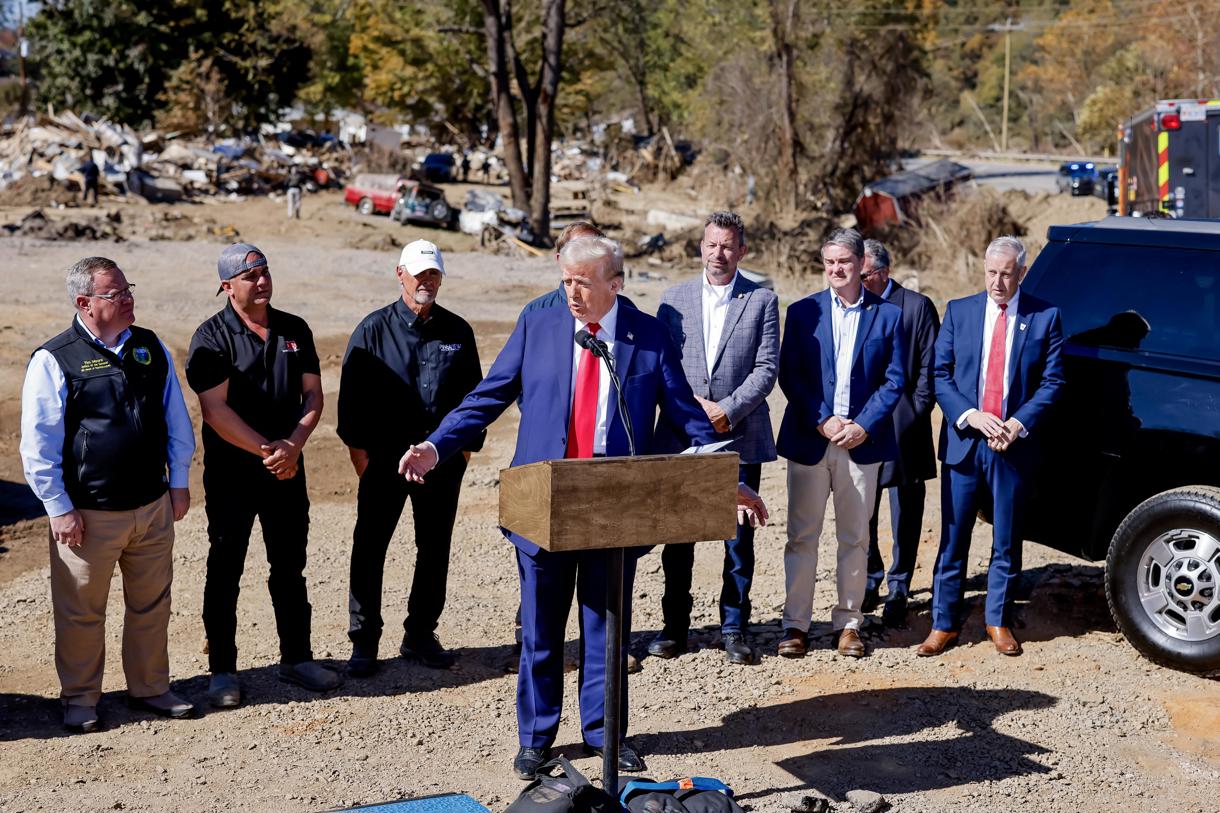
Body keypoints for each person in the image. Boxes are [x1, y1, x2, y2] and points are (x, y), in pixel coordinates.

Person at [399, 236, 719, 780]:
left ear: (614, 284)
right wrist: (436, 444)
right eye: (566, 280)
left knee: (607, 628)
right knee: (543, 630)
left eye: (583, 283)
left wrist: (721, 474)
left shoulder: (648, 336)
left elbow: (689, 417)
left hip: (614, 505)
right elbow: (489, 396)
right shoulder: (540, 324)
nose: (571, 293)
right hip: (542, 502)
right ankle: (536, 739)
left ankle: (605, 734)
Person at [20, 256, 196, 732]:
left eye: (127, 289)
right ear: (85, 302)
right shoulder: (55, 358)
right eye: (115, 293)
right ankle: (80, 698)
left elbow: (175, 418)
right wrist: (58, 507)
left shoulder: (149, 346)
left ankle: (151, 687)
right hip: (88, 515)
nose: (128, 299)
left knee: (152, 604)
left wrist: (178, 482)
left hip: (152, 505)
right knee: (81, 612)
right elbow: (38, 443)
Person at [186, 242, 341, 709]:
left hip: (287, 468)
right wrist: (266, 449)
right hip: (235, 473)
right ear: (226, 286)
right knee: (226, 566)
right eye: (250, 275)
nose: (262, 281)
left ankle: (297, 657)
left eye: (265, 271)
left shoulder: (295, 329)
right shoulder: (212, 337)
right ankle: (223, 670)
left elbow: (313, 397)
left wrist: (293, 445)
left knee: (290, 565)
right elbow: (214, 411)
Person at [340, 240, 484, 676]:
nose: (427, 281)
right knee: (370, 547)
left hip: (440, 461)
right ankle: (364, 641)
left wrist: (461, 454)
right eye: (420, 274)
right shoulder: (373, 330)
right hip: (384, 461)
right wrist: (363, 458)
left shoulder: (458, 332)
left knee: (434, 548)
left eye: (434, 274)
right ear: (400, 273)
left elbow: (475, 400)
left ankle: (420, 634)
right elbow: (351, 404)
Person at [918, 236, 1065, 658]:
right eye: (991, 272)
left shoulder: (1044, 316)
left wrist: (1017, 424)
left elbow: (1052, 382)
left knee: (1006, 538)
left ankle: (997, 620)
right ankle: (943, 623)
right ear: (984, 270)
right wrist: (971, 416)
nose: (998, 282)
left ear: (1021, 272)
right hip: (966, 441)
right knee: (953, 536)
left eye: (1006, 273)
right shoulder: (959, 311)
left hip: (1011, 446)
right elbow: (940, 375)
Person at [650, 211, 779, 664]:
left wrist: (726, 410)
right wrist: (694, 410)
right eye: (711, 245)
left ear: (742, 251)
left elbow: (767, 368)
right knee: (678, 537)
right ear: (700, 247)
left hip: (740, 434)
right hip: (683, 436)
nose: (718, 254)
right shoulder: (673, 300)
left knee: (738, 538)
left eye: (727, 246)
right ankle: (674, 628)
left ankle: (734, 627)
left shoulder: (762, 301)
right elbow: (662, 367)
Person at [776, 228, 905, 659]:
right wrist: (822, 420)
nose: (836, 270)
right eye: (829, 262)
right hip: (812, 440)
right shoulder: (802, 312)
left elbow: (895, 379)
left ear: (859, 264)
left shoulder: (887, 316)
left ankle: (849, 623)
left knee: (855, 537)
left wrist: (864, 424)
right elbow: (790, 375)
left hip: (860, 443)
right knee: (802, 536)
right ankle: (795, 624)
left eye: (844, 263)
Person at [858, 240, 940, 628]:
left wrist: (915, 412)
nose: (857, 280)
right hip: (862, 425)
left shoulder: (916, 306)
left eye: (864, 274)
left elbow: (930, 366)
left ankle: (900, 584)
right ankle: (870, 579)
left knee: (906, 509)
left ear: (884, 273)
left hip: (905, 425)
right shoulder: (856, 305)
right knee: (863, 507)